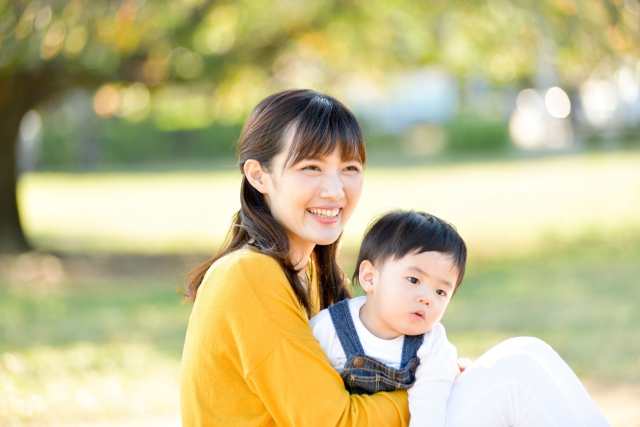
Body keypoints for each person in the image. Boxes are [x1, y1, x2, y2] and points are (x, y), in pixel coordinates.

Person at [180, 89, 610, 427]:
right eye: (311, 167)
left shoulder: (310, 274)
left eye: (349, 167)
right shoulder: (246, 276)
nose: (335, 190)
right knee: (518, 374)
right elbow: (332, 421)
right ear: (259, 176)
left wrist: (441, 378)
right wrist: (431, 392)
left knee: (523, 360)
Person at [311, 210, 465, 427]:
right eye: (414, 279)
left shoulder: (432, 346)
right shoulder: (329, 329)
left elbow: (429, 415)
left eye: (441, 292)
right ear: (370, 277)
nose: (427, 298)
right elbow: (305, 402)